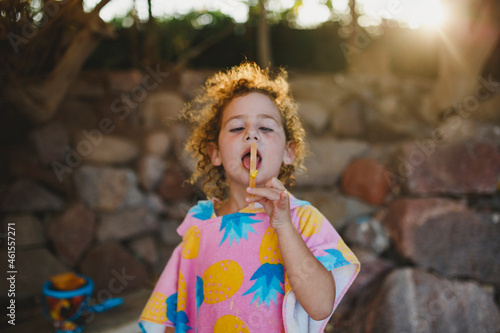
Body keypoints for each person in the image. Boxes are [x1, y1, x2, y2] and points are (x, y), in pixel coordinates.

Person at [138, 62, 360, 333]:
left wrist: (284, 227)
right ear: (215, 153)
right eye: (235, 128)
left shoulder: (302, 219)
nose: (251, 134)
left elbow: (321, 305)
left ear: (289, 151)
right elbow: (173, 314)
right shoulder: (198, 222)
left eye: (265, 128)